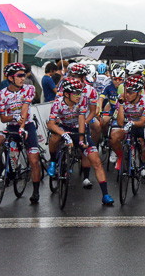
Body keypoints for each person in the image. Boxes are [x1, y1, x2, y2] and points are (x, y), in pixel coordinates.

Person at [46, 77, 115, 205]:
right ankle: (53, 162)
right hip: (63, 128)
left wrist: (82, 139)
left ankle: (105, 194)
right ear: (66, 94)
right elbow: (50, 124)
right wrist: (63, 134)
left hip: (78, 129)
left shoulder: (82, 100)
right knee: (54, 137)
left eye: (80, 92)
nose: (79, 95)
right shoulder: (57, 103)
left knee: (96, 161)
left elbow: (82, 120)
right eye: (76, 93)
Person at [0, 63, 44, 203]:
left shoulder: (29, 88)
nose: (23, 78)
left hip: (28, 126)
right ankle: (4, 167)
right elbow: (3, 119)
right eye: (19, 75)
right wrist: (14, 118)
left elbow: (25, 109)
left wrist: (22, 127)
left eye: (23, 74)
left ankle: (36, 191)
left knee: (34, 160)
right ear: (10, 78)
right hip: (12, 126)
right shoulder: (1, 95)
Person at [112, 75, 145, 203]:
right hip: (129, 124)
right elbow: (120, 122)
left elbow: (142, 122)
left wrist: (132, 123)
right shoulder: (122, 99)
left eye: (130, 92)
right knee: (114, 137)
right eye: (126, 90)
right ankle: (120, 157)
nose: (127, 94)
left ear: (139, 92)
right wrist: (120, 104)